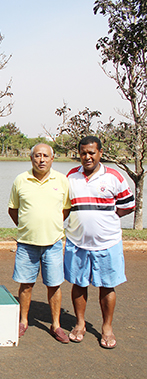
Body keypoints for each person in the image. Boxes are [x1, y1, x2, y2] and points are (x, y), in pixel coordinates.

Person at [64, 136, 134, 349]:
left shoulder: (114, 176)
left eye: (92, 152)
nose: (87, 157)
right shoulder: (70, 176)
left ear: (100, 153)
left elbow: (127, 205)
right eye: (83, 153)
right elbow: (65, 206)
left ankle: (107, 327)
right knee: (78, 283)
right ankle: (79, 324)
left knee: (107, 285)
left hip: (108, 242)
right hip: (77, 242)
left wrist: (104, 219)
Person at [8, 143, 71, 343]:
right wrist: (29, 226)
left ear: (52, 158)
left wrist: (50, 226)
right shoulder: (21, 179)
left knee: (54, 285)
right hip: (27, 244)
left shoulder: (61, 180)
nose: (41, 159)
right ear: (31, 158)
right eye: (37, 156)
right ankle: (23, 321)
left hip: (53, 243)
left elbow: (66, 210)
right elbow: (13, 210)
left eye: (45, 156)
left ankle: (56, 325)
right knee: (26, 284)